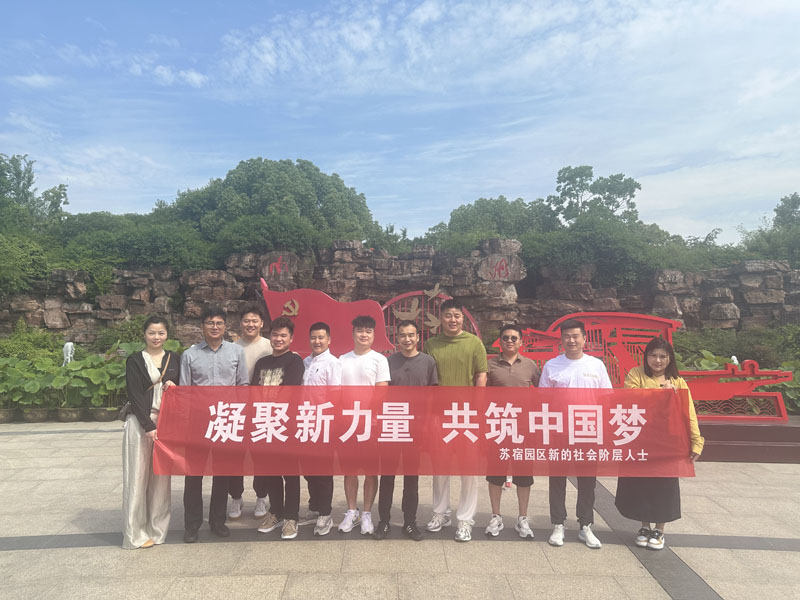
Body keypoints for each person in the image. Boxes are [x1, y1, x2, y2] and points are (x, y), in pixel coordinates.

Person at [616, 337, 704, 551]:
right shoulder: (636, 374)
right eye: (653, 355)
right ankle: (644, 526)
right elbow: (629, 397)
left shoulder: (678, 382)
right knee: (641, 484)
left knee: (664, 485)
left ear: (670, 359)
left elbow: (689, 413)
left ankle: (659, 530)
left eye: (662, 356)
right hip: (641, 439)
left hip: (668, 442)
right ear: (646, 357)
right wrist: (660, 394)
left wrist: (696, 441)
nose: (657, 360)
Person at [539, 319, 611, 549]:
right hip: (560, 430)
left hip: (588, 430)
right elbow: (543, 400)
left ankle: (585, 525)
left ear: (584, 339)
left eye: (575, 336)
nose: (571, 340)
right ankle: (558, 524)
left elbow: (607, 398)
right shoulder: (552, 365)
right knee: (557, 479)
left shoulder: (596, 365)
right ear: (561, 340)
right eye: (567, 336)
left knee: (587, 480)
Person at [179, 306, 249, 543]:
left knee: (223, 474)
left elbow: (243, 385)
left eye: (219, 323)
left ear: (225, 326)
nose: (215, 327)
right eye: (210, 323)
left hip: (225, 420)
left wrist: (239, 417)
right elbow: (185, 391)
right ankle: (192, 525)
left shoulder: (236, 352)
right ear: (202, 326)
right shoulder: (190, 355)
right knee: (193, 475)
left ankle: (217, 521)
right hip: (198, 421)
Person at [424, 299, 488, 542]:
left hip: (467, 416)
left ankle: (465, 519)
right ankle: (441, 513)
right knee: (440, 466)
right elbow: (428, 380)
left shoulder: (474, 343)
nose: (452, 320)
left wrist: (478, 411)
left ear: (463, 318)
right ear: (441, 318)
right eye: (448, 315)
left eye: (457, 316)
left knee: (468, 468)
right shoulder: (431, 344)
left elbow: (481, 376)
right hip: (440, 415)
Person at [375, 319, 438, 541]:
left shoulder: (428, 362)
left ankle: (409, 522)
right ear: (397, 339)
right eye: (403, 335)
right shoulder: (388, 361)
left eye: (411, 335)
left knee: (412, 478)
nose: (407, 339)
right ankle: (383, 521)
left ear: (418, 337)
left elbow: (433, 396)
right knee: (387, 476)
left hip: (416, 428)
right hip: (392, 424)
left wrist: (428, 423)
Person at [122, 316, 180, 549]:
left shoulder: (174, 359)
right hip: (140, 423)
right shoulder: (135, 361)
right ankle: (134, 533)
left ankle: (157, 530)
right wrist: (149, 426)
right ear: (144, 334)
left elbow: (183, 389)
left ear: (167, 335)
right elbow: (135, 396)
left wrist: (174, 386)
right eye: (152, 333)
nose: (156, 337)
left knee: (161, 479)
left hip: (165, 423)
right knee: (137, 478)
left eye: (161, 333)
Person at [484, 323, 541, 539]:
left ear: (521, 342)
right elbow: (481, 394)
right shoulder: (490, 365)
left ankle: (522, 518)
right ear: (500, 341)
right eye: (505, 338)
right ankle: (495, 516)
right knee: (495, 475)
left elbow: (544, 392)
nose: (509, 341)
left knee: (524, 475)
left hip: (523, 428)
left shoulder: (530, 365)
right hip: (498, 428)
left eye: (514, 338)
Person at [252, 316, 306, 540]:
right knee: (270, 472)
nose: (279, 339)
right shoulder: (262, 363)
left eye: (283, 335)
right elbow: (253, 392)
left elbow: (290, 391)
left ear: (291, 338)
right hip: (264, 424)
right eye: (275, 335)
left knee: (290, 474)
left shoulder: (295, 361)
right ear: (270, 336)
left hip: (286, 425)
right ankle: (276, 512)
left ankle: (292, 517)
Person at [338, 315, 391, 535]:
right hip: (347, 423)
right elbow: (337, 392)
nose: (364, 335)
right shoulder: (342, 359)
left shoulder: (379, 359)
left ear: (373, 335)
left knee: (370, 471)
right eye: (360, 330)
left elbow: (381, 390)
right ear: (353, 334)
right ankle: (352, 511)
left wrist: (366, 415)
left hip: (371, 423)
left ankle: (367, 513)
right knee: (349, 470)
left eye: (368, 331)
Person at [228, 305, 273, 521]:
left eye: (255, 320)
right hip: (237, 409)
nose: (250, 324)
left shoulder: (270, 346)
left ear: (262, 323)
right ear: (240, 323)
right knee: (235, 456)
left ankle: (261, 496)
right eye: (246, 320)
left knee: (260, 456)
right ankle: (236, 497)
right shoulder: (231, 348)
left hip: (262, 410)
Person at [302, 321, 341, 536]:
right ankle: (315, 506)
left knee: (323, 470)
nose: (317, 341)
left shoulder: (333, 363)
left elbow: (335, 395)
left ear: (329, 340)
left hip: (324, 423)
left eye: (321, 337)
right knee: (309, 469)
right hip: (305, 422)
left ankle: (325, 514)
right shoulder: (306, 362)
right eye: (313, 337)